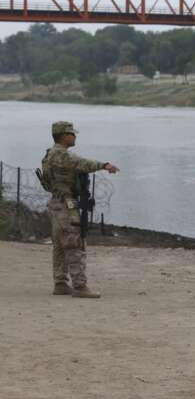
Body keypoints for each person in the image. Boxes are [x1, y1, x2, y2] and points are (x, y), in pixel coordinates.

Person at [40, 121, 120, 298]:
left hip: (57, 204)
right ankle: (80, 286)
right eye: (72, 134)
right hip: (66, 205)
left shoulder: (50, 154)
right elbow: (82, 163)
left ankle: (60, 283)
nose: (74, 136)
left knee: (60, 246)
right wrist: (105, 165)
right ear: (63, 136)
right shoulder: (60, 155)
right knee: (74, 244)